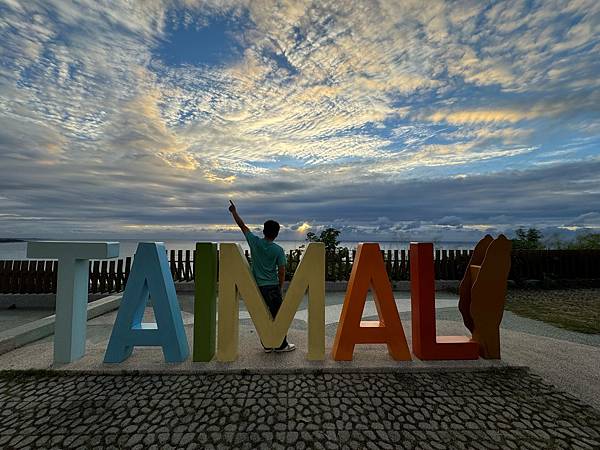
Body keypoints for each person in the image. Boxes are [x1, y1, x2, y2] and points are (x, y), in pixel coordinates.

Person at [228, 200, 296, 353]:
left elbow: (242, 226)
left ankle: (267, 344)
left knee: (262, 315)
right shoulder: (278, 250)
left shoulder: (255, 242)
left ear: (263, 231)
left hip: (257, 286)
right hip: (272, 286)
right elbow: (281, 271)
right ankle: (281, 345)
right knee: (278, 316)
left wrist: (234, 212)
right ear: (276, 234)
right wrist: (280, 286)